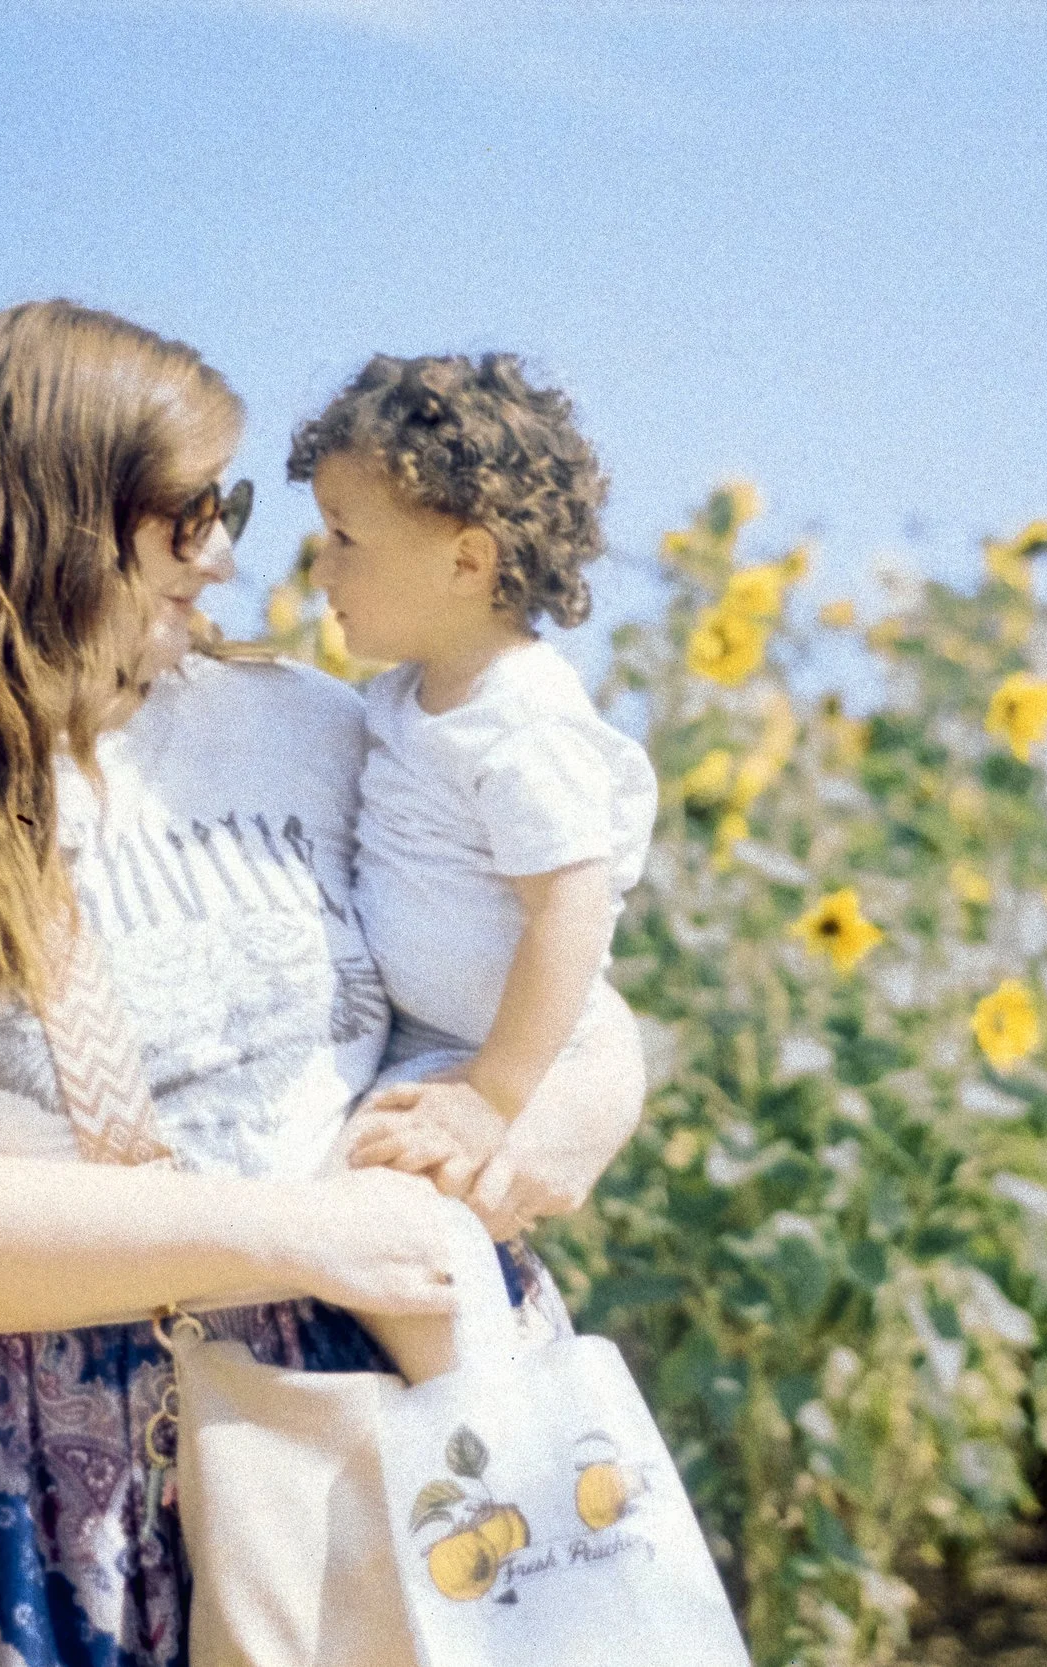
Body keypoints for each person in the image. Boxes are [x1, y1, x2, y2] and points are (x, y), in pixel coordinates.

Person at [0, 301, 643, 1667]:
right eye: (194, 510)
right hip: (15, 1501)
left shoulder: (325, 730)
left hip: (385, 1454)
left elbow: (572, 1002)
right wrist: (303, 1234)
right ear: (62, 518)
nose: (231, 550)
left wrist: (529, 1134)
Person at [285, 353, 658, 1375]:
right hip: (442, 1043)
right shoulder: (409, 696)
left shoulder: (522, 718)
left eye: (345, 539)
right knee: (371, 1223)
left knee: (379, 1221)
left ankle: (501, 1427)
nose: (321, 569)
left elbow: (568, 914)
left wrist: (493, 1094)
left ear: (466, 560)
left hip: (510, 1054)